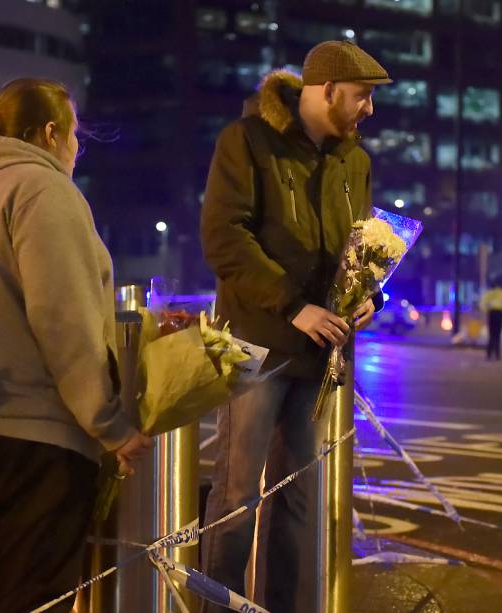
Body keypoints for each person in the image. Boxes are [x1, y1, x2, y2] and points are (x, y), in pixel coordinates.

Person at [0, 78, 153, 612]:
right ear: (51, 132)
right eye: (76, 136)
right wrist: (109, 424)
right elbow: (63, 319)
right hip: (30, 436)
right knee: (34, 596)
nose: (76, 149)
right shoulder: (42, 190)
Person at [199, 41, 391, 613]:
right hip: (256, 342)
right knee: (237, 494)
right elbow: (225, 238)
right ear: (326, 90)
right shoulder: (247, 140)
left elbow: (360, 248)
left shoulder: (354, 160)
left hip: (320, 353)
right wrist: (292, 304)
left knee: (297, 498)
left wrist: (368, 298)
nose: (369, 111)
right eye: (362, 97)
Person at [479, 279, 502, 360]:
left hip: (492, 314)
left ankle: (489, 354)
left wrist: (487, 310)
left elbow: (483, 305)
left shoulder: (489, 294)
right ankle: (497, 354)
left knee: (491, 334)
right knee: (498, 334)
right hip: (499, 314)